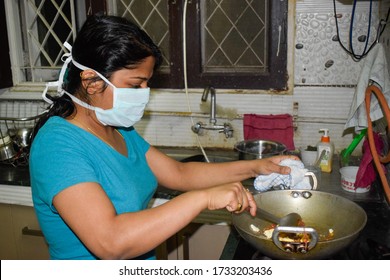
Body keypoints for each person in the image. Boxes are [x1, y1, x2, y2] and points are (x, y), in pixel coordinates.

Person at [29, 14, 296, 260]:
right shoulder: (57, 146)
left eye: (147, 84)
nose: (144, 93)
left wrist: (255, 167)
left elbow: (180, 173)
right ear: (91, 81)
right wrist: (204, 198)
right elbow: (111, 242)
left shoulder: (117, 128)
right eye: (135, 85)